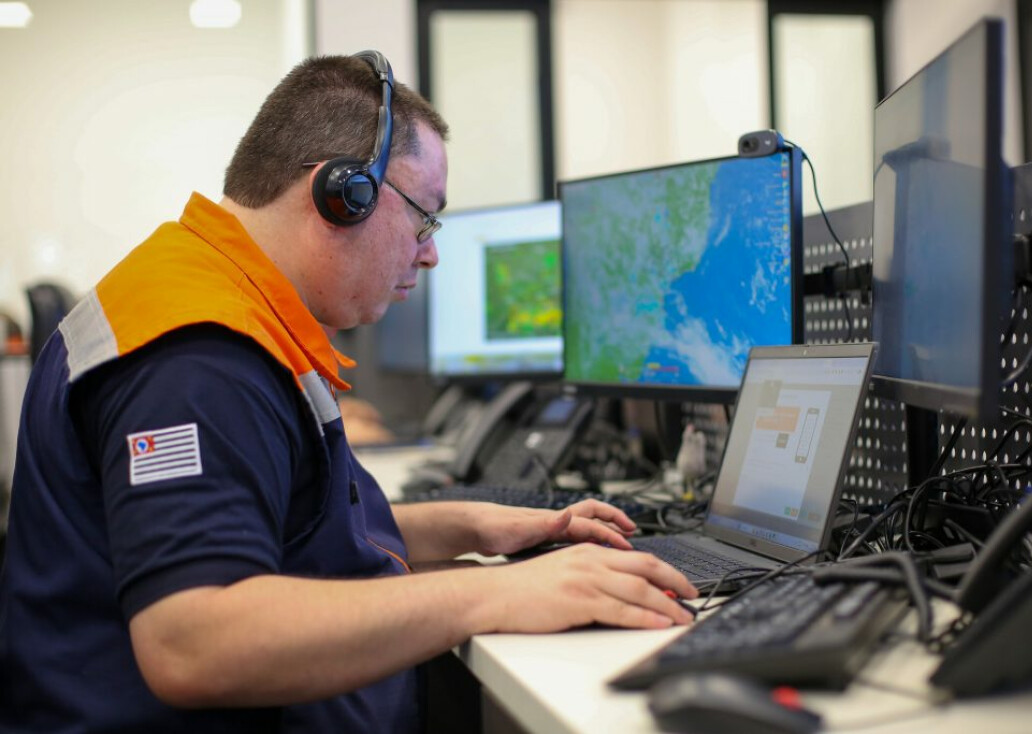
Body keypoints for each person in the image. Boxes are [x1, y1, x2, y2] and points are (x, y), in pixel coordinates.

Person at [0, 51, 696, 732]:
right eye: (423, 217)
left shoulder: (232, 307)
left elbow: (300, 530)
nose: (430, 252)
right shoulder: (197, 358)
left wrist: (474, 524)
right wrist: (496, 591)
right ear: (341, 195)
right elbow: (193, 643)